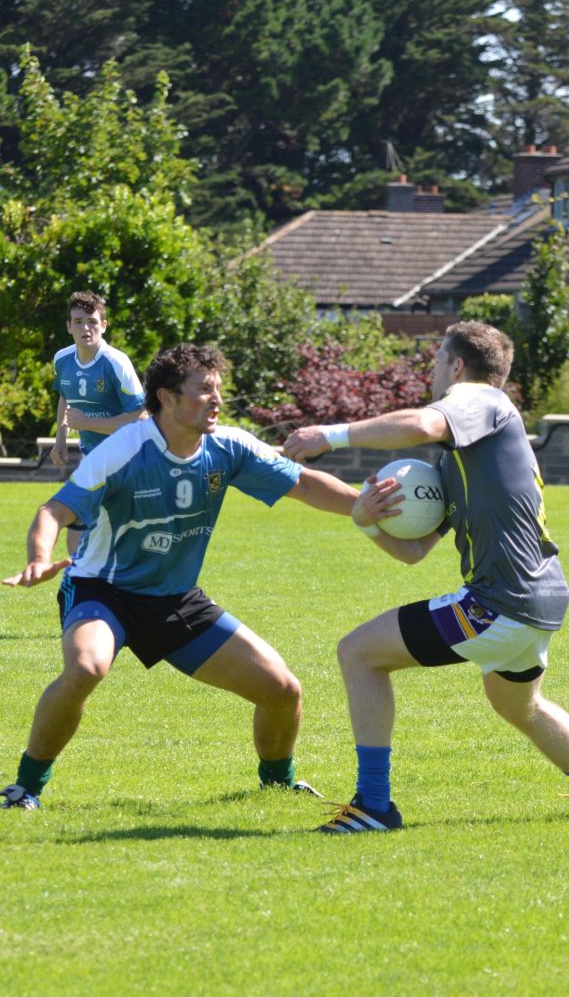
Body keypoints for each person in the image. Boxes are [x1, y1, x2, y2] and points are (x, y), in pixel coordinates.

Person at [282, 321, 569, 832]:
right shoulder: (464, 455)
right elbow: (415, 551)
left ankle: (375, 806)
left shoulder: (481, 400)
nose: (431, 373)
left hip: (499, 601)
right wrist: (366, 523)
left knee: (359, 653)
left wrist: (329, 435)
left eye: (435, 362)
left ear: (458, 366)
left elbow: (422, 425)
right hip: (540, 598)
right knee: (520, 705)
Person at [2, 343, 359, 811]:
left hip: (174, 600)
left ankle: (277, 785)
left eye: (218, 389)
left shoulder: (228, 446)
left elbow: (304, 483)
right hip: (103, 591)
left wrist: (364, 506)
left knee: (282, 690)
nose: (216, 399)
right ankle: (24, 788)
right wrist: (38, 556)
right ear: (167, 397)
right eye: (203, 390)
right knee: (87, 667)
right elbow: (55, 509)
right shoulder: (124, 450)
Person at [52, 291, 148, 555]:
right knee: (78, 523)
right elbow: (64, 396)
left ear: (104, 326)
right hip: (91, 456)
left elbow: (141, 417)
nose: (86, 328)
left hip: (128, 458)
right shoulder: (62, 360)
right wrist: (61, 438)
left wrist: (87, 422)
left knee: (123, 534)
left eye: (93, 321)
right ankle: (78, 583)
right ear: (69, 327)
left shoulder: (116, 362)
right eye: (79, 321)